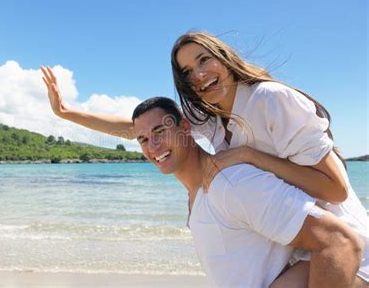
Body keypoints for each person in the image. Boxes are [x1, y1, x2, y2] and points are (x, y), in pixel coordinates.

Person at [40, 31, 368, 282]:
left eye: (203, 60)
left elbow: (335, 189)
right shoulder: (209, 118)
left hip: (347, 246)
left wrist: (250, 155)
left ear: (224, 58)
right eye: (186, 71)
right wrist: (67, 113)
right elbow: (139, 128)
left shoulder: (269, 99)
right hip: (304, 245)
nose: (198, 74)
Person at [131, 96, 364, 287]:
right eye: (143, 139)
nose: (153, 146)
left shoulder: (232, 183)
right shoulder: (198, 197)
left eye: (160, 131)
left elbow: (340, 241)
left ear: (185, 128)